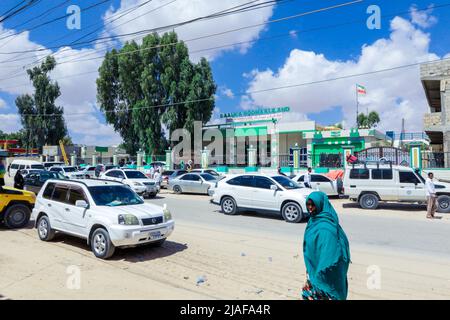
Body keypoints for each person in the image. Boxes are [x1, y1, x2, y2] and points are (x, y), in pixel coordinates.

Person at [302, 191, 351, 300]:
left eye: (313, 204)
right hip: (313, 267)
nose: (310, 207)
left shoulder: (326, 226)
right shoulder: (313, 220)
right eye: (308, 204)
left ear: (320, 204)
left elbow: (331, 253)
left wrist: (319, 275)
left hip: (325, 273)